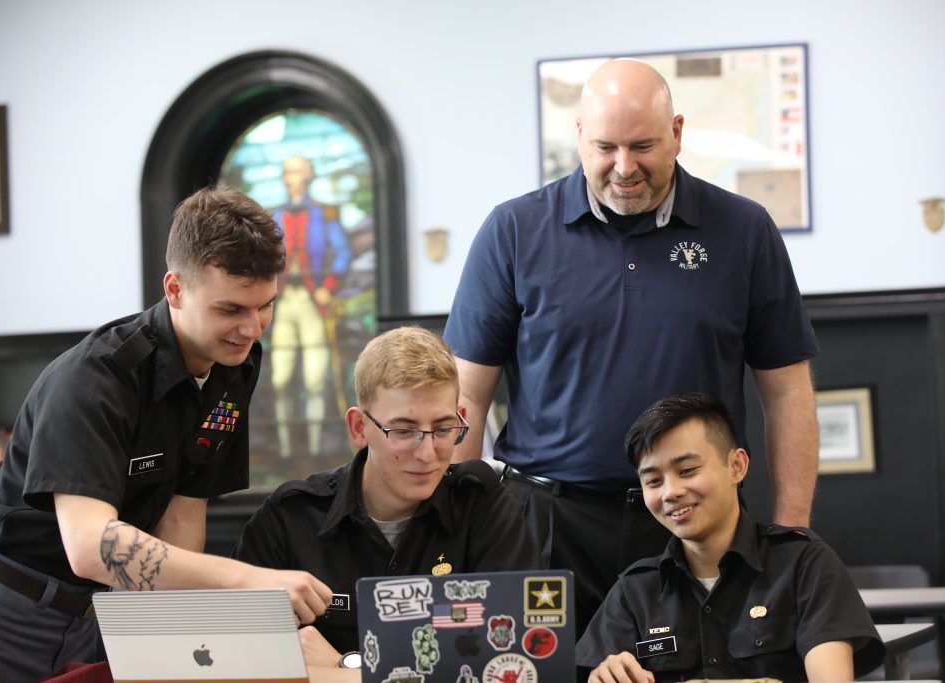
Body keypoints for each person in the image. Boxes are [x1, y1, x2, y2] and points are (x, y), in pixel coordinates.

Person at [443, 58, 820, 635]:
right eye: (605, 147)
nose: (624, 168)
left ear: (676, 133)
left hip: (693, 518)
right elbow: (464, 394)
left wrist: (791, 535)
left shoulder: (745, 230)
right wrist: (454, 529)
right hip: (545, 526)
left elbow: (788, 390)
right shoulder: (512, 230)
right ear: (578, 139)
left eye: (643, 145)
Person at [0, 187, 333, 682]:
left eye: (266, 305)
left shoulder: (235, 364)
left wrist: (177, 637)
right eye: (230, 309)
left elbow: (185, 511)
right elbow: (90, 546)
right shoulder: (94, 379)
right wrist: (247, 581)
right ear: (175, 289)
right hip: (11, 605)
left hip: (110, 610)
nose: (252, 329)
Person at [231, 326, 540, 671]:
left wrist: (347, 668)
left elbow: (512, 659)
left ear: (460, 421)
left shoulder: (485, 507)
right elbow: (237, 656)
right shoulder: (288, 520)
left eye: (441, 429)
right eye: (404, 431)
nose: (427, 454)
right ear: (359, 428)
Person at [576, 393, 884, 683]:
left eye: (687, 470)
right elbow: (600, 673)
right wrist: (603, 675)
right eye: (654, 480)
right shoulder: (634, 590)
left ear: (736, 466)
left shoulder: (805, 565)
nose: (670, 492)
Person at [270, 155, 355, 458]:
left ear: (307, 176)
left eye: (294, 172)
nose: (289, 177)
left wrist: (327, 287)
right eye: (286, 172)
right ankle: (286, 450)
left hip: (312, 301)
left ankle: (316, 450)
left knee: (316, 377)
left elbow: (344, 254)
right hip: (283, 301)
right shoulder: (274, 216)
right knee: (280, 376)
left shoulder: (324, 213)